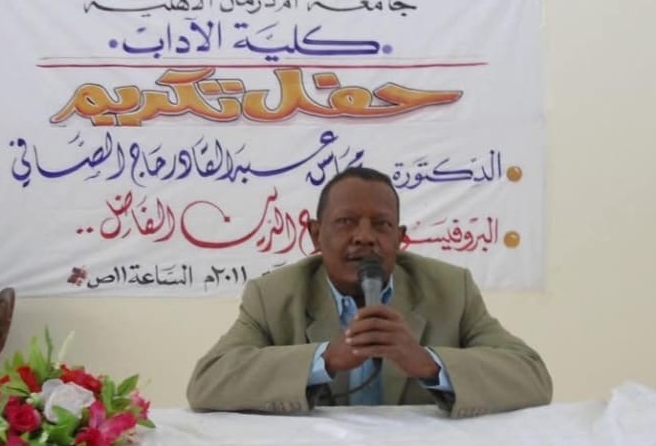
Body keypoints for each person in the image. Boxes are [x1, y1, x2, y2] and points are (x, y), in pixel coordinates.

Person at [187, 167, 553, 417]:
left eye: (381, 225)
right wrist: (324, 360)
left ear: (400, 238)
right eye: (346, 222)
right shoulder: (273, 296)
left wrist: (428, 364)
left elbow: (532, 377)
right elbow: (207, 383)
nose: (364, 237)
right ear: (315, 234)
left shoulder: (450, 290)